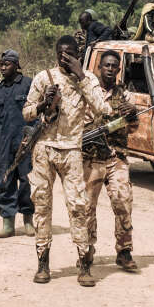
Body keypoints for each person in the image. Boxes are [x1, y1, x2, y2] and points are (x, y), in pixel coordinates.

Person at [23, 36, 113, 287]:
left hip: (72, 149)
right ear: (55, 54)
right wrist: (43, 104)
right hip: (44, 148)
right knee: (41, 205)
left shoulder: (89, 80)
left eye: (70, 54)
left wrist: (80, 76)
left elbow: (103, 109)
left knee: (78, 207)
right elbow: (27, 112)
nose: (65, 58)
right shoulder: (44, 78)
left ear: (78, 54)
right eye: (61, 54)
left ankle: (84, 265)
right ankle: (43, 263)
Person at [82, 50, 141, 272]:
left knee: (123, 201)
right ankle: (86, 252)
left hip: (116, 157)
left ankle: (124, 251)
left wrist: (132, 114)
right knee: (87, 207)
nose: (109, 68)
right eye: (106, 65)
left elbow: (133, 129)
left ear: (118, 69)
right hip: (90, 159)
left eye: (113, 66)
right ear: (99, 67)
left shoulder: (126, 96)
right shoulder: (88, 94)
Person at [0, 50, 35, 238]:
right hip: (4, 144)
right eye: (1, 64)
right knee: (5, 182)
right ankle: (8, 223)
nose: (3, 67)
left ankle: (28, 220)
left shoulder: (28, 85)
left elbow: (36, 112)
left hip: (25, 143)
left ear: (16, 65)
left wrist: (32, 137)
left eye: (7, 64)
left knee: (26, 181)